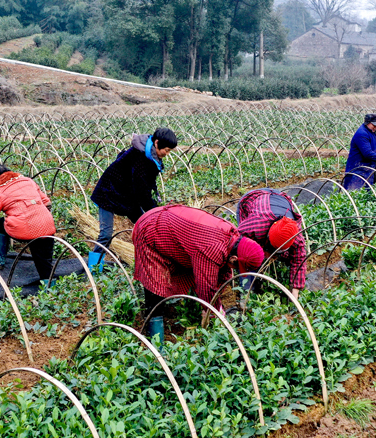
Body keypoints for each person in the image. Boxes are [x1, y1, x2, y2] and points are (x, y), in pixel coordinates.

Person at [132, 204, 265, 343]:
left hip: (172, 228)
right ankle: (155, 343)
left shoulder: (233, 239)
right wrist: (210, 312)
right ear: (234, 258)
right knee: (156, 290)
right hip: (151, 229)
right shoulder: (212, 248)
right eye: (236, 266)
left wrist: (218, 307)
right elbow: (205, 286)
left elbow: (223, 273)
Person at [88, 127, 177, 271]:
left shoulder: (151, 156)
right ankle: (93, 269)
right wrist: (154, 212)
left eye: (169, 151)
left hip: (126, 194)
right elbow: (142, 192)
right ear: (156, 143)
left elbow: (147, 186)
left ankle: (152, 259)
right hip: (108, 193)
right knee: (106, 234)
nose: (167, 154)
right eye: (166, 150)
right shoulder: (140, 157)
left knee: (146, 226)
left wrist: (155, 207)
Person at [236, 188, 307, 299]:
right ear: (268, 235)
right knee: (247, 253)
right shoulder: (254, 226)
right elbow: (237, 242)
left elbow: (299, 260)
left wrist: (294, 294)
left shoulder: (295, 235)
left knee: (290, 256)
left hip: (280, 198)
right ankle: (247, 293)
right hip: (252, 199)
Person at [343, 114, 376, 191]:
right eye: (374, 125)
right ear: (367, 122)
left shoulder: (371, 132)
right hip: (358, 169)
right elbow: (367, 153)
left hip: (368, 168)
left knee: (368, 192)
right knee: (356, 193)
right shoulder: (362, 134)